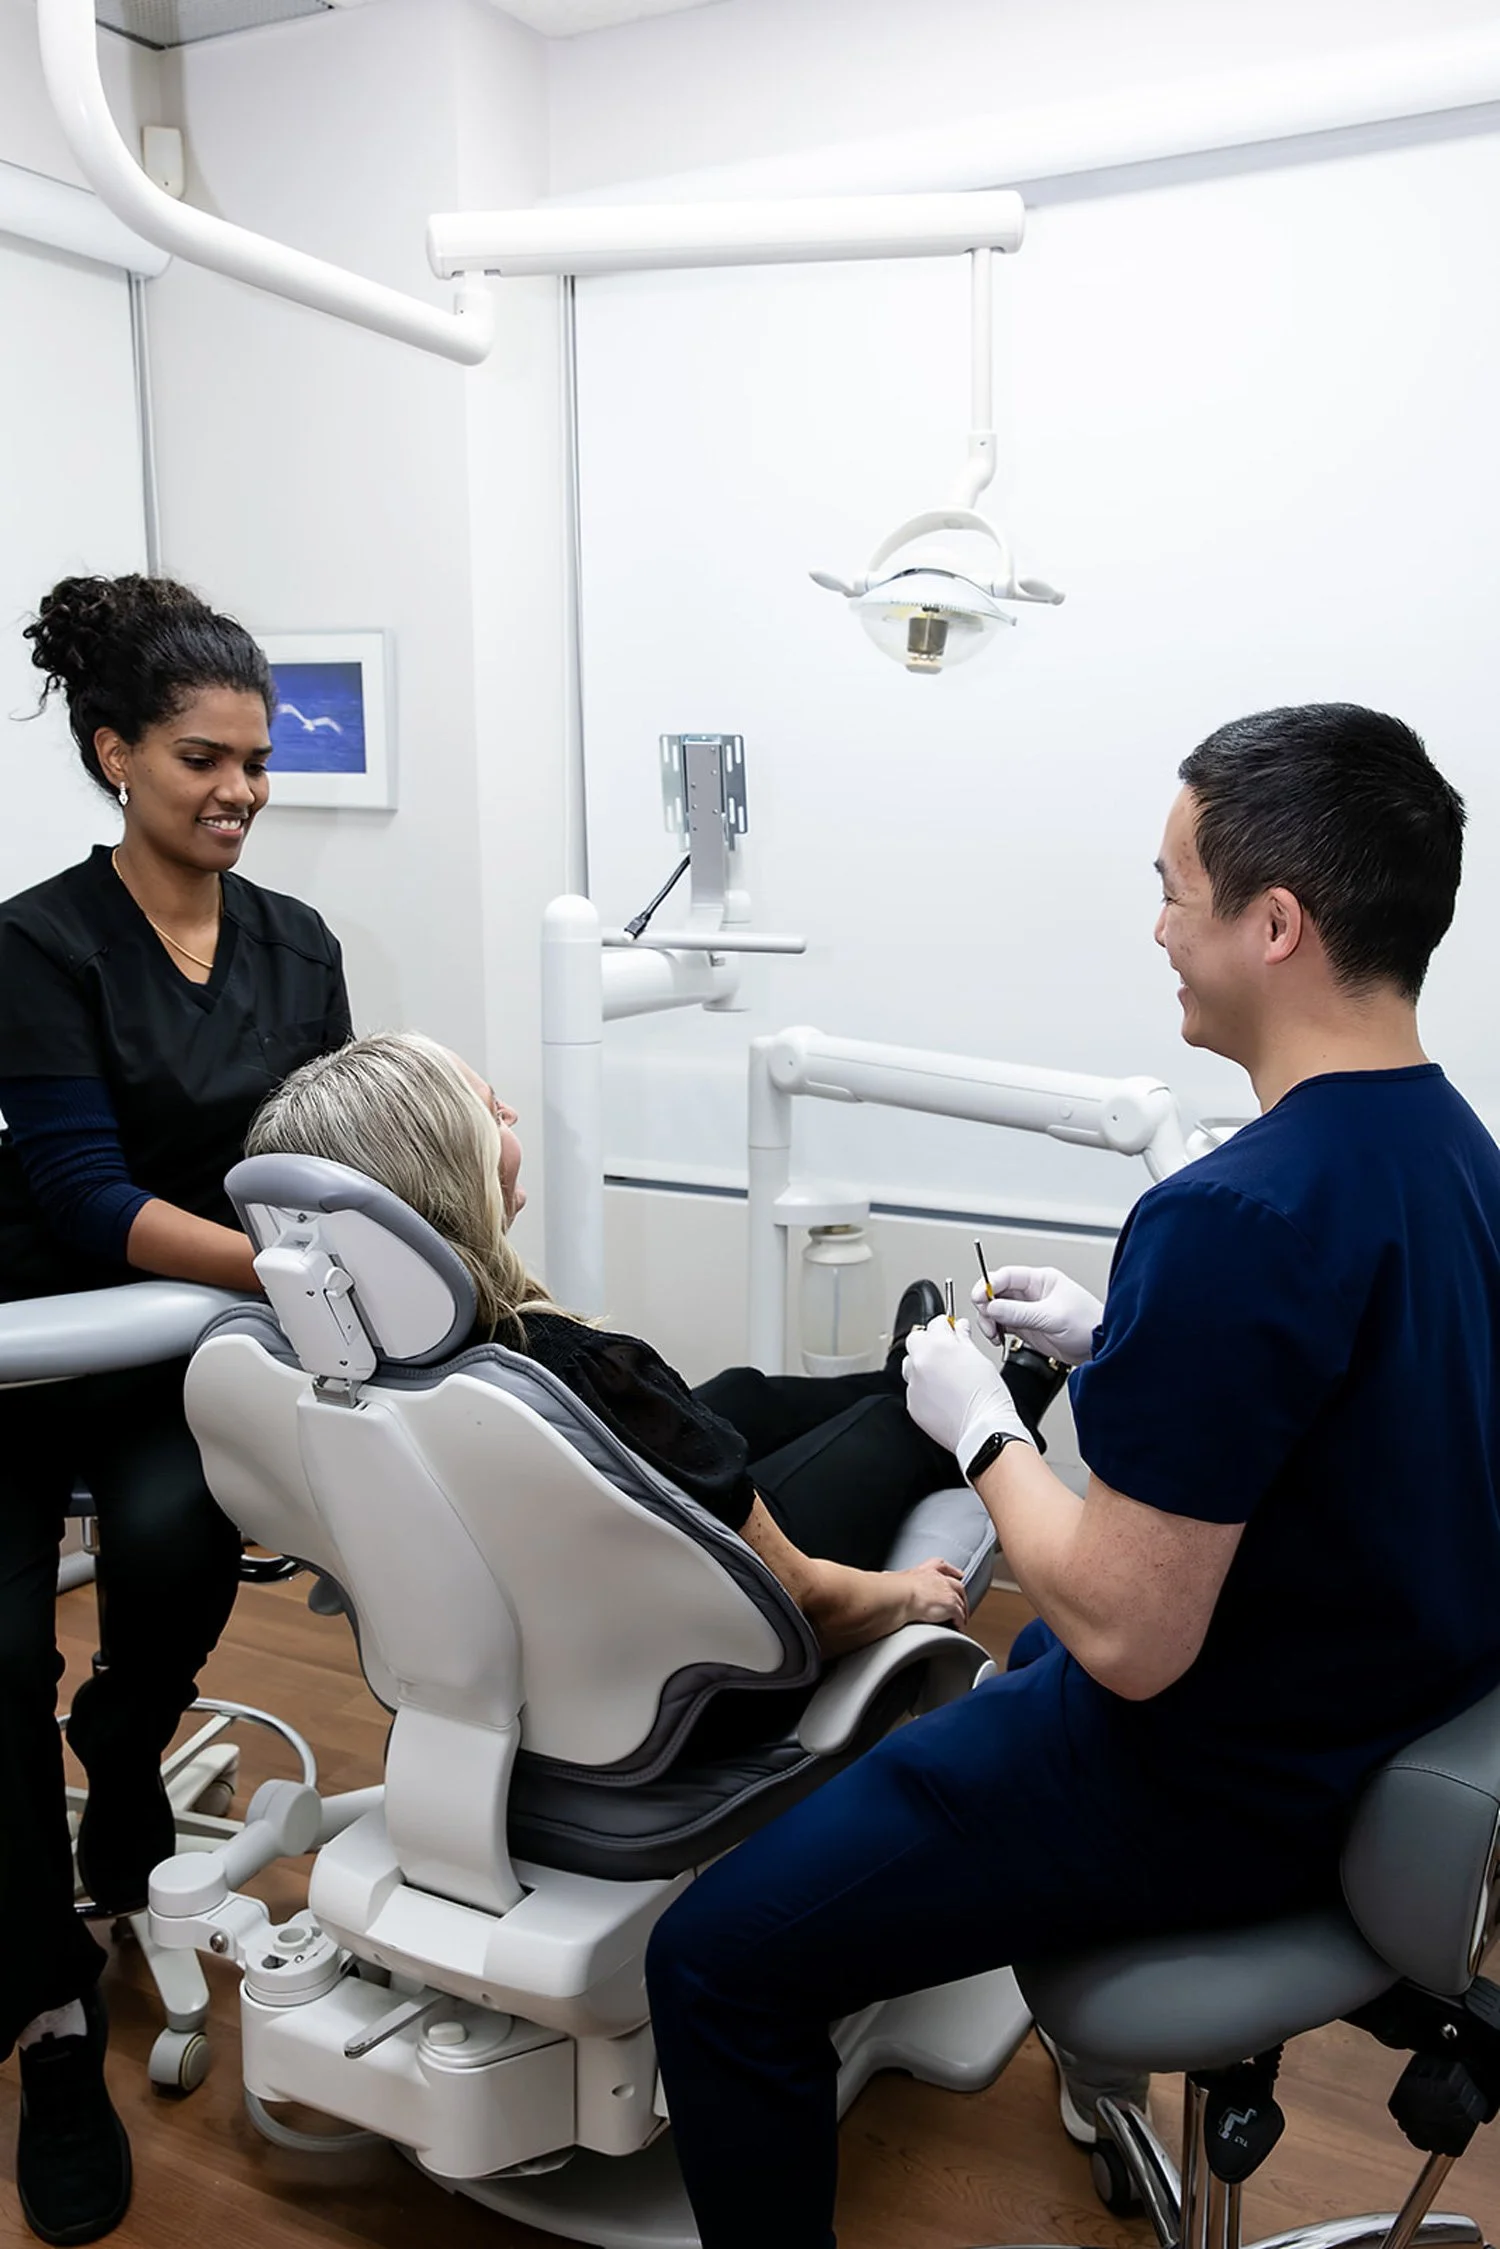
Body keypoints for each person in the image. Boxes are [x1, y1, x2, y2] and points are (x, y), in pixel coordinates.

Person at [643, 701, 1500, 2249]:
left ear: (1278, 923)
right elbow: (1347, 1432)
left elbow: (1129, 1632)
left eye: (1176, 888)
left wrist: (983, 1424)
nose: (1159, 928)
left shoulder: (1238, 1214)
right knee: (1023, 1660)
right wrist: (1124, 1346)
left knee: (714, 1961)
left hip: (1228, 1780)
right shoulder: (1453, 1154)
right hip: (1382, 1720)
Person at [0, 575, 353, 2247]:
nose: (238, 788)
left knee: (169, 1547)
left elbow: (332, 1137)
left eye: (257, 761)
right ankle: (52, 2005)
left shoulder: (297, 942)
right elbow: (77, 1189)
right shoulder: (36, 943)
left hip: (184, 1346)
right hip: (35, 1327)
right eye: (203, 757)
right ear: (113, 751)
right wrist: (292, 1267)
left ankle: (126, 1743)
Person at [244, 1030, 1046, 1655]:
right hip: (723, 1632)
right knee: (890, 1423)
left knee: (742, 1391)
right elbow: (800, 1604)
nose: (512, 1116)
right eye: (489, 1112)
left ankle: (901, 1362)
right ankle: (1013, 1384)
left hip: (593, 1592)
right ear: (451, 1174)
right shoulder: (582, 1366)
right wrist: (909, 1595)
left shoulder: (359, 1359)